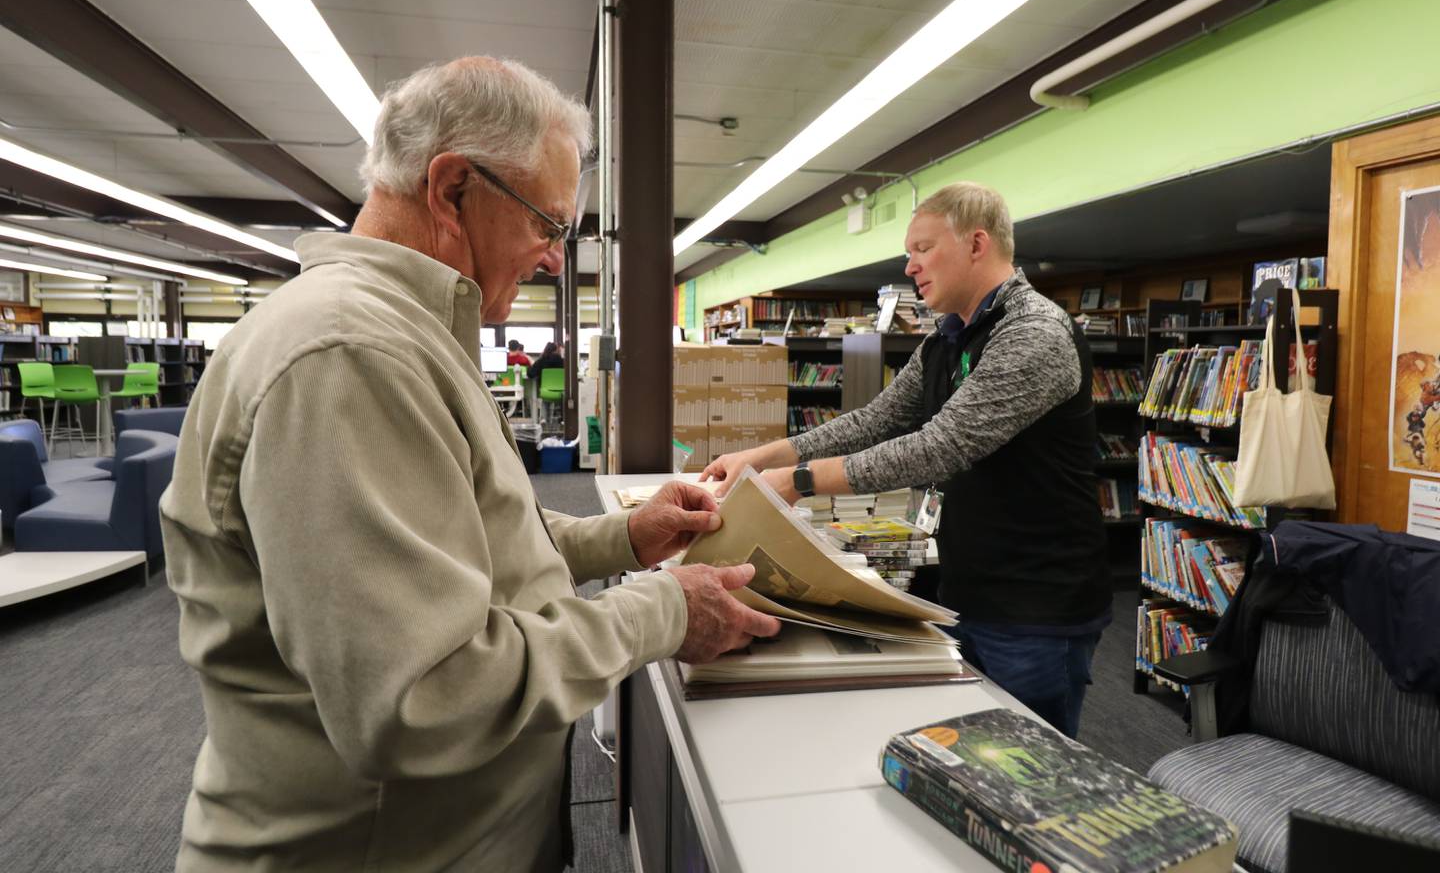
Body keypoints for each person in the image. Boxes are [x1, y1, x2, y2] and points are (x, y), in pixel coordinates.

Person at [161, 57, 779, 873]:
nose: (556, 259)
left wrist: (624, 537)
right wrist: (665, 612)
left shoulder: (404, 335)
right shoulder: (348, 355)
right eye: (547, 225)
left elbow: (466, 533)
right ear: (453, 190)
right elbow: (424, 696)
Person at [702, 181, 1109, 739]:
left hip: (1038, 607)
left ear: (976, 244)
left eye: (922, 248)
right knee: (968, 754)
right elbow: (875, 422)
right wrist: (758, 456)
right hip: (970, 588)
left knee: (1034, 770)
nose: (909, 265)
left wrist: (798, 480)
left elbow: (939, 446)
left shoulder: (1033, 332)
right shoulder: (945, 338)